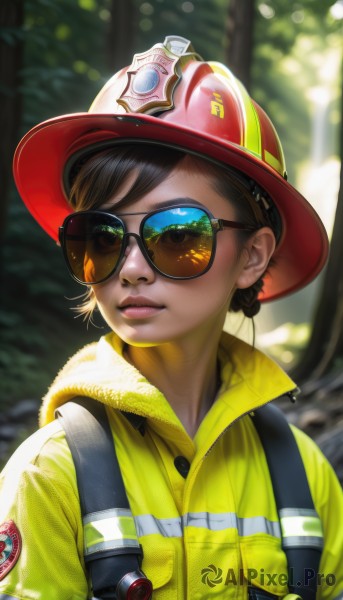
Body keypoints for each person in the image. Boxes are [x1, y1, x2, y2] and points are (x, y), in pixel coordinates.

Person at [1, 34, 342, 600]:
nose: (130, 269)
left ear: (252, 256)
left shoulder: (306, 477)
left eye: (177, 234)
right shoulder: (50, 474)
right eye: (102, 237)